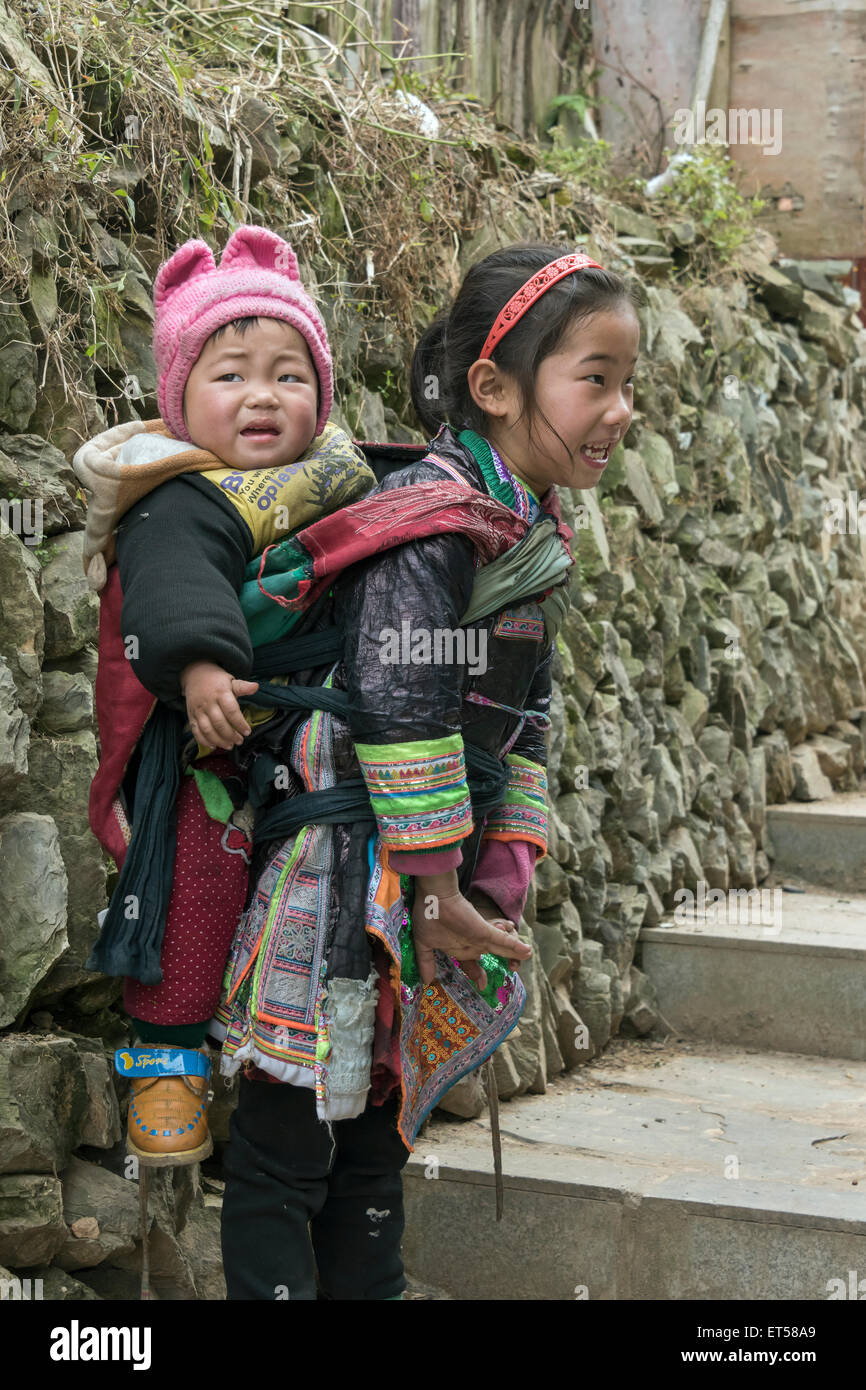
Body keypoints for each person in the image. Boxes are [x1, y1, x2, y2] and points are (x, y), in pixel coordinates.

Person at [215, 243, 641, 1299]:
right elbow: (398, 697)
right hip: (342, 871)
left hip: (408, 877)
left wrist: (502, 863)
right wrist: (441, 882)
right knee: (287, 1136)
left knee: (372, 1128)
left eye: (628, 383)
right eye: (594, 379)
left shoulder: (523, 532)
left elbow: (523, 714)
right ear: (493, 388)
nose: (620, 409)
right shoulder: (431, 523)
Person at [74, 225, 379, 1166]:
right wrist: (203, 664)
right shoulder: (175, 495)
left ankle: (297, 1068)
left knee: (312, 900)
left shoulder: (329, 484)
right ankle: (166, 1066)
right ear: (179, 396)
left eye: (290, 375)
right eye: (231, 374)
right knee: (200, 892)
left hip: (307, 741)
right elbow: (174, 584)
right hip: (206, 741)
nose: (262, 395)